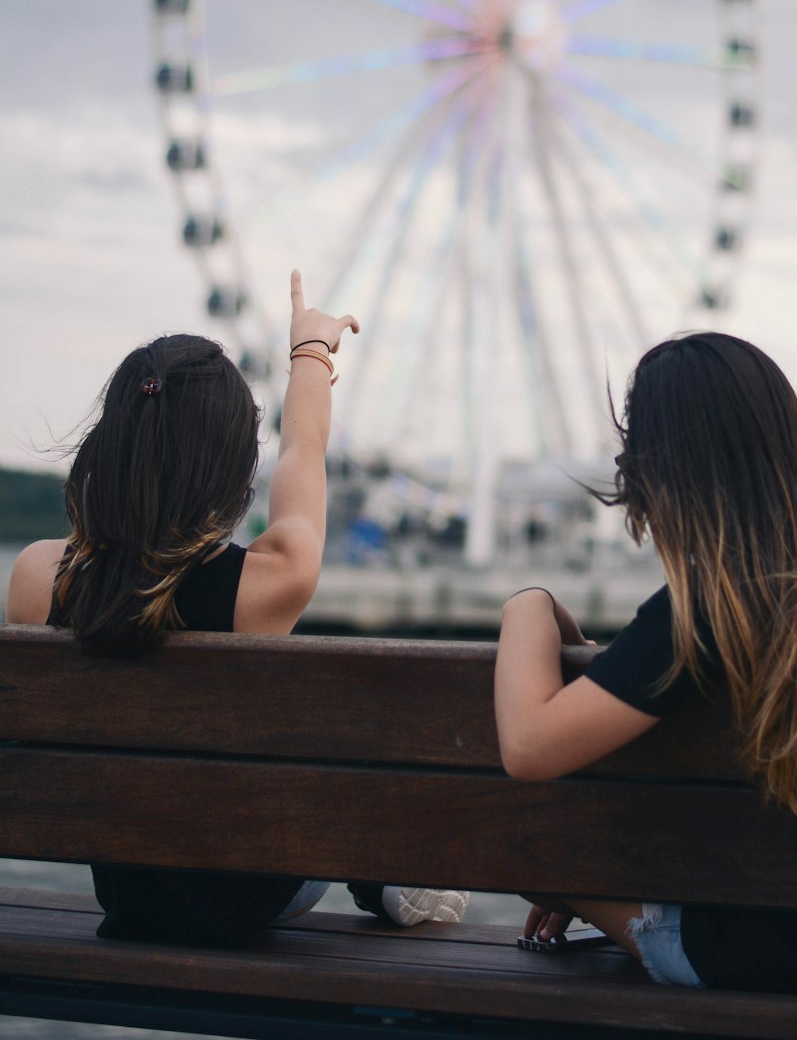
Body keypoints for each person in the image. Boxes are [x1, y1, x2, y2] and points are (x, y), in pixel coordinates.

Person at [6, 270, 467, 946]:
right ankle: (381, 874)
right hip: (254, 893)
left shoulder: (35, 578)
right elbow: (305, 453)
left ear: (110, 446)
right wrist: (310, 352)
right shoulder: (268, 583)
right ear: (231, 466)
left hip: (126, 896)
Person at [494, 332, 797, 996]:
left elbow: (530, 748)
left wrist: (528, 607)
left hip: (758, 949)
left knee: (535, 857)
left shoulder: (708, 609)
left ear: (656, 476)